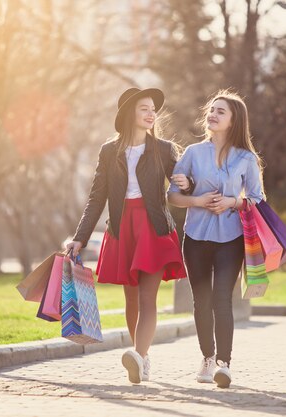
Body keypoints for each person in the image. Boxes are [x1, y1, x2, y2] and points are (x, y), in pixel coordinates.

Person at [66, 87, 192, 384]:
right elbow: (97, 197)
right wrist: (80, 237)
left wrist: (187, 182)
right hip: (122, 229)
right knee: (131, 299)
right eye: (144, 109)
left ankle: (137, 354)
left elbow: (184, 183)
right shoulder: (109, 151)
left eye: (153, 109)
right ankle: (142, 358)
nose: (151, 114)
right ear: (129, 114)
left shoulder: (163, 148)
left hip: (154, 230)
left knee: (148, 297)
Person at [167, 90, 265, 388]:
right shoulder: (193, 154)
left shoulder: (246, 159)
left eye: (220, 111)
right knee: (201, 300)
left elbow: (258, 200)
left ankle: (224, 363)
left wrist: (232, 203)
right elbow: (173, 196)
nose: (212, 114)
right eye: (212, 109)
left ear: (234, 120)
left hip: (231, 238)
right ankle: (207, 358)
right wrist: (197, 201)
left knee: (222, 297)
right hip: (196, 237)